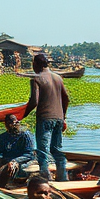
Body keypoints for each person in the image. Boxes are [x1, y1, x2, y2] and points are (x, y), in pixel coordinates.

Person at [22, 52, 70, 183]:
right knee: (57, 150)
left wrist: (23, 114)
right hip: (59, 119)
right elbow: (66, 98)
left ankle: (45, 179)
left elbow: (34, 101)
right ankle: (62, 177)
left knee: (42, 151)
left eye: (33, 63)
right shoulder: (58, 78)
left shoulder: (36, 78)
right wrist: (63, 117)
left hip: (45, 118)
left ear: (36, 64)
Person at [0, 114, 36, 188]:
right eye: (8, 123)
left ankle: (13, 184)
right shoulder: (3, 137)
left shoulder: (25, 135)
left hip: (23, 161)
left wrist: (15, 161)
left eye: (13, 123)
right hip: (6, 160)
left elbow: (30, 154)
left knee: (16, 169)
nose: (11, 125)